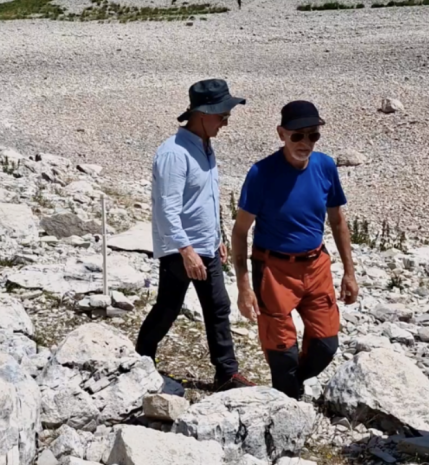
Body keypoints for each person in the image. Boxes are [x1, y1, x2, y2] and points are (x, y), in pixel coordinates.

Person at [231, 100, 359, 400]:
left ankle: (290, 384)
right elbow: (240, 232)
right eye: (297, 136)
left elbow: (338, 220)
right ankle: (286, 403)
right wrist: (243, 286)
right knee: (281, 352)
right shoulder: (261, 174)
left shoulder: (326, 166)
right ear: (281, 134)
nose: (305, 143)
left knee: (326, 345)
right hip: (273, 270)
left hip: (316, 266)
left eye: (313, 135)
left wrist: (350, 272)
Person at [136, 79, 255, 393]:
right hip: (181, 248)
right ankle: (141, 357)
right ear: (202, 113)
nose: (226, 121)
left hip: (206, 246)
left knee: (217, 306)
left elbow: (205, 198)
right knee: (168, 307)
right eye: (222, 114)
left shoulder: (204, 146)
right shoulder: (174, 154)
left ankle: (227, 373)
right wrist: (186, 250)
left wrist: (217, 237)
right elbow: (167, 207)